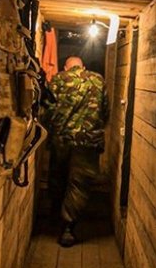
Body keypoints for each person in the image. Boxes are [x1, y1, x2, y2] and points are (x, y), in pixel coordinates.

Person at [44, 56, 108, 247]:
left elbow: (48, 109)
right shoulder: (98, 80)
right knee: (78, 184)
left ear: (66, 67)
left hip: (61, 140)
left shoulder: (58, 79)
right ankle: (68, 228)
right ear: (83, 67)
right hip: (88, 142)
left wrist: (52, 131)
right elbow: (105, 111)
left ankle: (55, 215)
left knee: (58, 177)